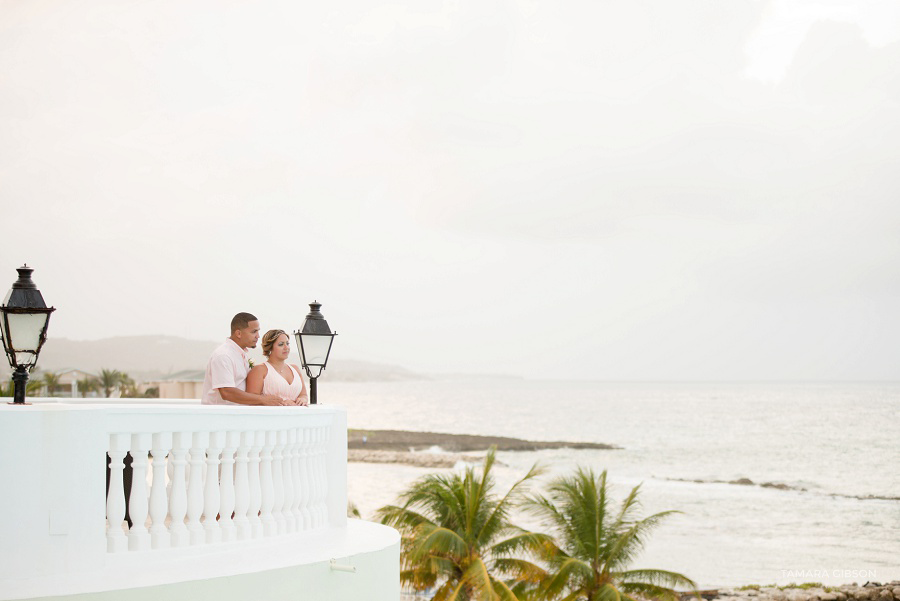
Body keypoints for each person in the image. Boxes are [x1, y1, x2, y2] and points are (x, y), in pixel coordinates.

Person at [201, 312, 289, 406]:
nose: (258, 336)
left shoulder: (241, 355)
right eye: (254, 332)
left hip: (237, 415)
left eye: (258, 331)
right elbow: (227, 392)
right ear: (238, 333)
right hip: (221, 417)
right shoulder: (223, 356)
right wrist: (263, 400)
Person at [246, 329, 309, 406]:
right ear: (270, 348)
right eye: (281, 344)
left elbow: (303, 395)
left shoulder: (295, 369)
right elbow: (251, 401)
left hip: (296, 415)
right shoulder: (259, 370)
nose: (286, 347)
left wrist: (302, 399)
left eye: (287, 343)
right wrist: (281, 403)